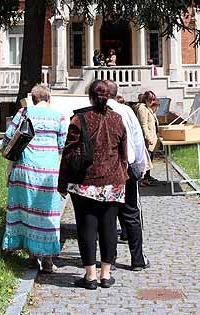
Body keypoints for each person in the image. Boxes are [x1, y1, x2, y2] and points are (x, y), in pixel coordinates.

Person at [59, 79, 127, 290]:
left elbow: (69, 154)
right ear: (110, 97)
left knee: (86, 228)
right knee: (108, 227)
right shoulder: (117, 119)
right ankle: (106, 274)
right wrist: (122, 174)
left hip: (84, 183)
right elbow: (124, 152)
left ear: (89, 96)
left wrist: (62, 182)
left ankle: (90, 276)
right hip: (112, 182)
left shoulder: (79, 119)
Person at [1, 84, 68, 273]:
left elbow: (8, 137)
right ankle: (47, 259)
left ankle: (31, 257)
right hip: (49, 172)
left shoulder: (25, 112)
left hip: (25, 169)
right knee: (48, 214)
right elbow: (63, 145)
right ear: (49, 98)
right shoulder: (59, 116)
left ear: (34, 99)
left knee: (27, 211)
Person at [105, 81, 151, 271]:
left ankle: (110, 260)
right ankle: (137, 259)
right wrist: (141, 165)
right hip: (127, 167)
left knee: (107, 215)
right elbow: (138, 139)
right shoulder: (126, 111)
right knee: (131, 213)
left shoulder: (95, 111)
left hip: (105, 169)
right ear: (116, 94)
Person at [135, 90, 161, 184]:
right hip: (147, 138)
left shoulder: (148, 108)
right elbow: (144, 125)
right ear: (146, 100)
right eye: (151, 100)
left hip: (152, 136)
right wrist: (148, 137)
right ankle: (144, 178)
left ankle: (148, 176)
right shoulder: (142, 109)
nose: (152, 102)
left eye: (153, 100)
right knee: (146, 158)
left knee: (150, 157)